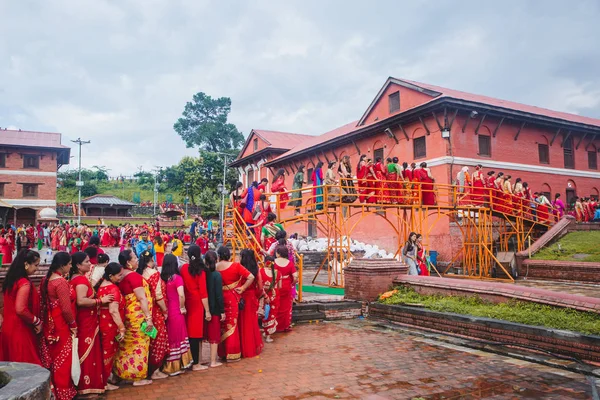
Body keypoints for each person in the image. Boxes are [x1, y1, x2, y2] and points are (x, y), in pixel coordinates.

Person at [69, 252, 111, 395]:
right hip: (85, 320)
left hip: (86, 320)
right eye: (86, 261)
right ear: (78, 266)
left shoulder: (76, 278)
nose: (90, 263)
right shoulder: (80, 280)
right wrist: (100, 301)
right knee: (87, 352)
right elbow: (81, 300)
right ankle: (86, 388)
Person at [40, 252, 78, 400]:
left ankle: (54, 390)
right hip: (60, 324)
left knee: (54, 357)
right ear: (62, 266)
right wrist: (73, 325)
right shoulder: (60, 282)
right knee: (63, 358)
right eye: (69, 264)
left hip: (49, 323)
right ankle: (64, 392)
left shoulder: (46, 279)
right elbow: (66, 309)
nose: (70, 266)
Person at [114, 250, 154, 386]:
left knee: (125, 345)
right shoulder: (134, 277)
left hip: (126, 315)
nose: (137, 260)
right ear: (128, 262)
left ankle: (120, 372)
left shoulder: (120, 276)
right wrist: (148, 318)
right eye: (135, 258)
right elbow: (142, 298)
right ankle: (138, 377)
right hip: (138, 317)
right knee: (139, 345)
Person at [1, 249, 42, 365]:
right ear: (26, 264)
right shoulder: (24, 283)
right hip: (20, 330)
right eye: (36, 265)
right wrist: (37, 321)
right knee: (27, 368)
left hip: (8, 327)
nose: (37, 269)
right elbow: (20, 309)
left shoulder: (12, 280)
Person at [216, 246, 255, 362]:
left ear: (218, 256)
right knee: (232, 325)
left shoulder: (215, 267)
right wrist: (242, 288)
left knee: (222, 325)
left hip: (219, 299)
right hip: (233, 298)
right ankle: (232, 353)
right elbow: (251, 277)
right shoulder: (235, 266)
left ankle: (222, 352)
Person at [137, 250, 169, 380]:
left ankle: (145, 368)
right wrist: (165, 310)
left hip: (143, 311)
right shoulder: (154, 274)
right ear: (152, 260)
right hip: (155, 311)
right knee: (158, 338)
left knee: (147, 338)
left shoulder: (139, 273)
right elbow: (158, 295)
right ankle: (154, 370)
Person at [94, 262, 125, 391]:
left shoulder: (101, 286)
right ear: (111, 276)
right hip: (110, 325)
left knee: (106, 351)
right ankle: (104, 383)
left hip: (104, 323)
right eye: (119, 275)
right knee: (108, 352)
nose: (120, 278)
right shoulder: (112, 289)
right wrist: (121, 327)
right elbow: (113, 311)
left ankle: (107, 378)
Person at [161, 254, 193, 375]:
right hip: (177, 311)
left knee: (171, 338)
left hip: (167, 312)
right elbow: (181, 294)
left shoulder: (163, 278)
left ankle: (170, 365)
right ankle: (178, 364)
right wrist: (182, 307)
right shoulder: (177, 278)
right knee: (179, 337)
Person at [180, 245, 210, 370]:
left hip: (187, 300)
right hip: (198, 303)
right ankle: (196, 363)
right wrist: (207, 310)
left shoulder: (183, 268)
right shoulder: (200, 271)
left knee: (190, 333)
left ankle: (193, 360)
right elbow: (203, 293)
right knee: (196, 333)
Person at [238, 249, 264, 358]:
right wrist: (256, 296)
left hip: (241, 296)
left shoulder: (240, 268)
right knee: (251, 323)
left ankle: (241, 347)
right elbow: (261, 286)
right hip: (252, 297)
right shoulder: (256, 269)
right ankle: (251, 346)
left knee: (241, 322)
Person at [203, 250, 224, 368]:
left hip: (204, 307)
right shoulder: (217, 275)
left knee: (203, 334)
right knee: (214, 335)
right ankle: (213, 361)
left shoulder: (202, 274)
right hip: (215, 308)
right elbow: (219, 295)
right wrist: (222, 310)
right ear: (216, 260)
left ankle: (199, 360)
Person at [274, 245, 297, 333]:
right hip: (286, 285)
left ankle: (274, 325)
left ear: (278, 253)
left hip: (276, 285)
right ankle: (284, 325)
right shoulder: (289, 263)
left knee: (276, 305)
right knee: (286, 306)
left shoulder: (273, 262)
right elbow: (295, 276)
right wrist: (292, 283)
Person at [260, 256, 279, 342]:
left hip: (263, 296)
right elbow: (280, 286)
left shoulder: (260, 271)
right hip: (274, 296)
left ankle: (265, 331)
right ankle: (268, 336)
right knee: (271, 315)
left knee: (265, 314)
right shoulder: (278, 273)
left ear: (264, 262)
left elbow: (259, 285)